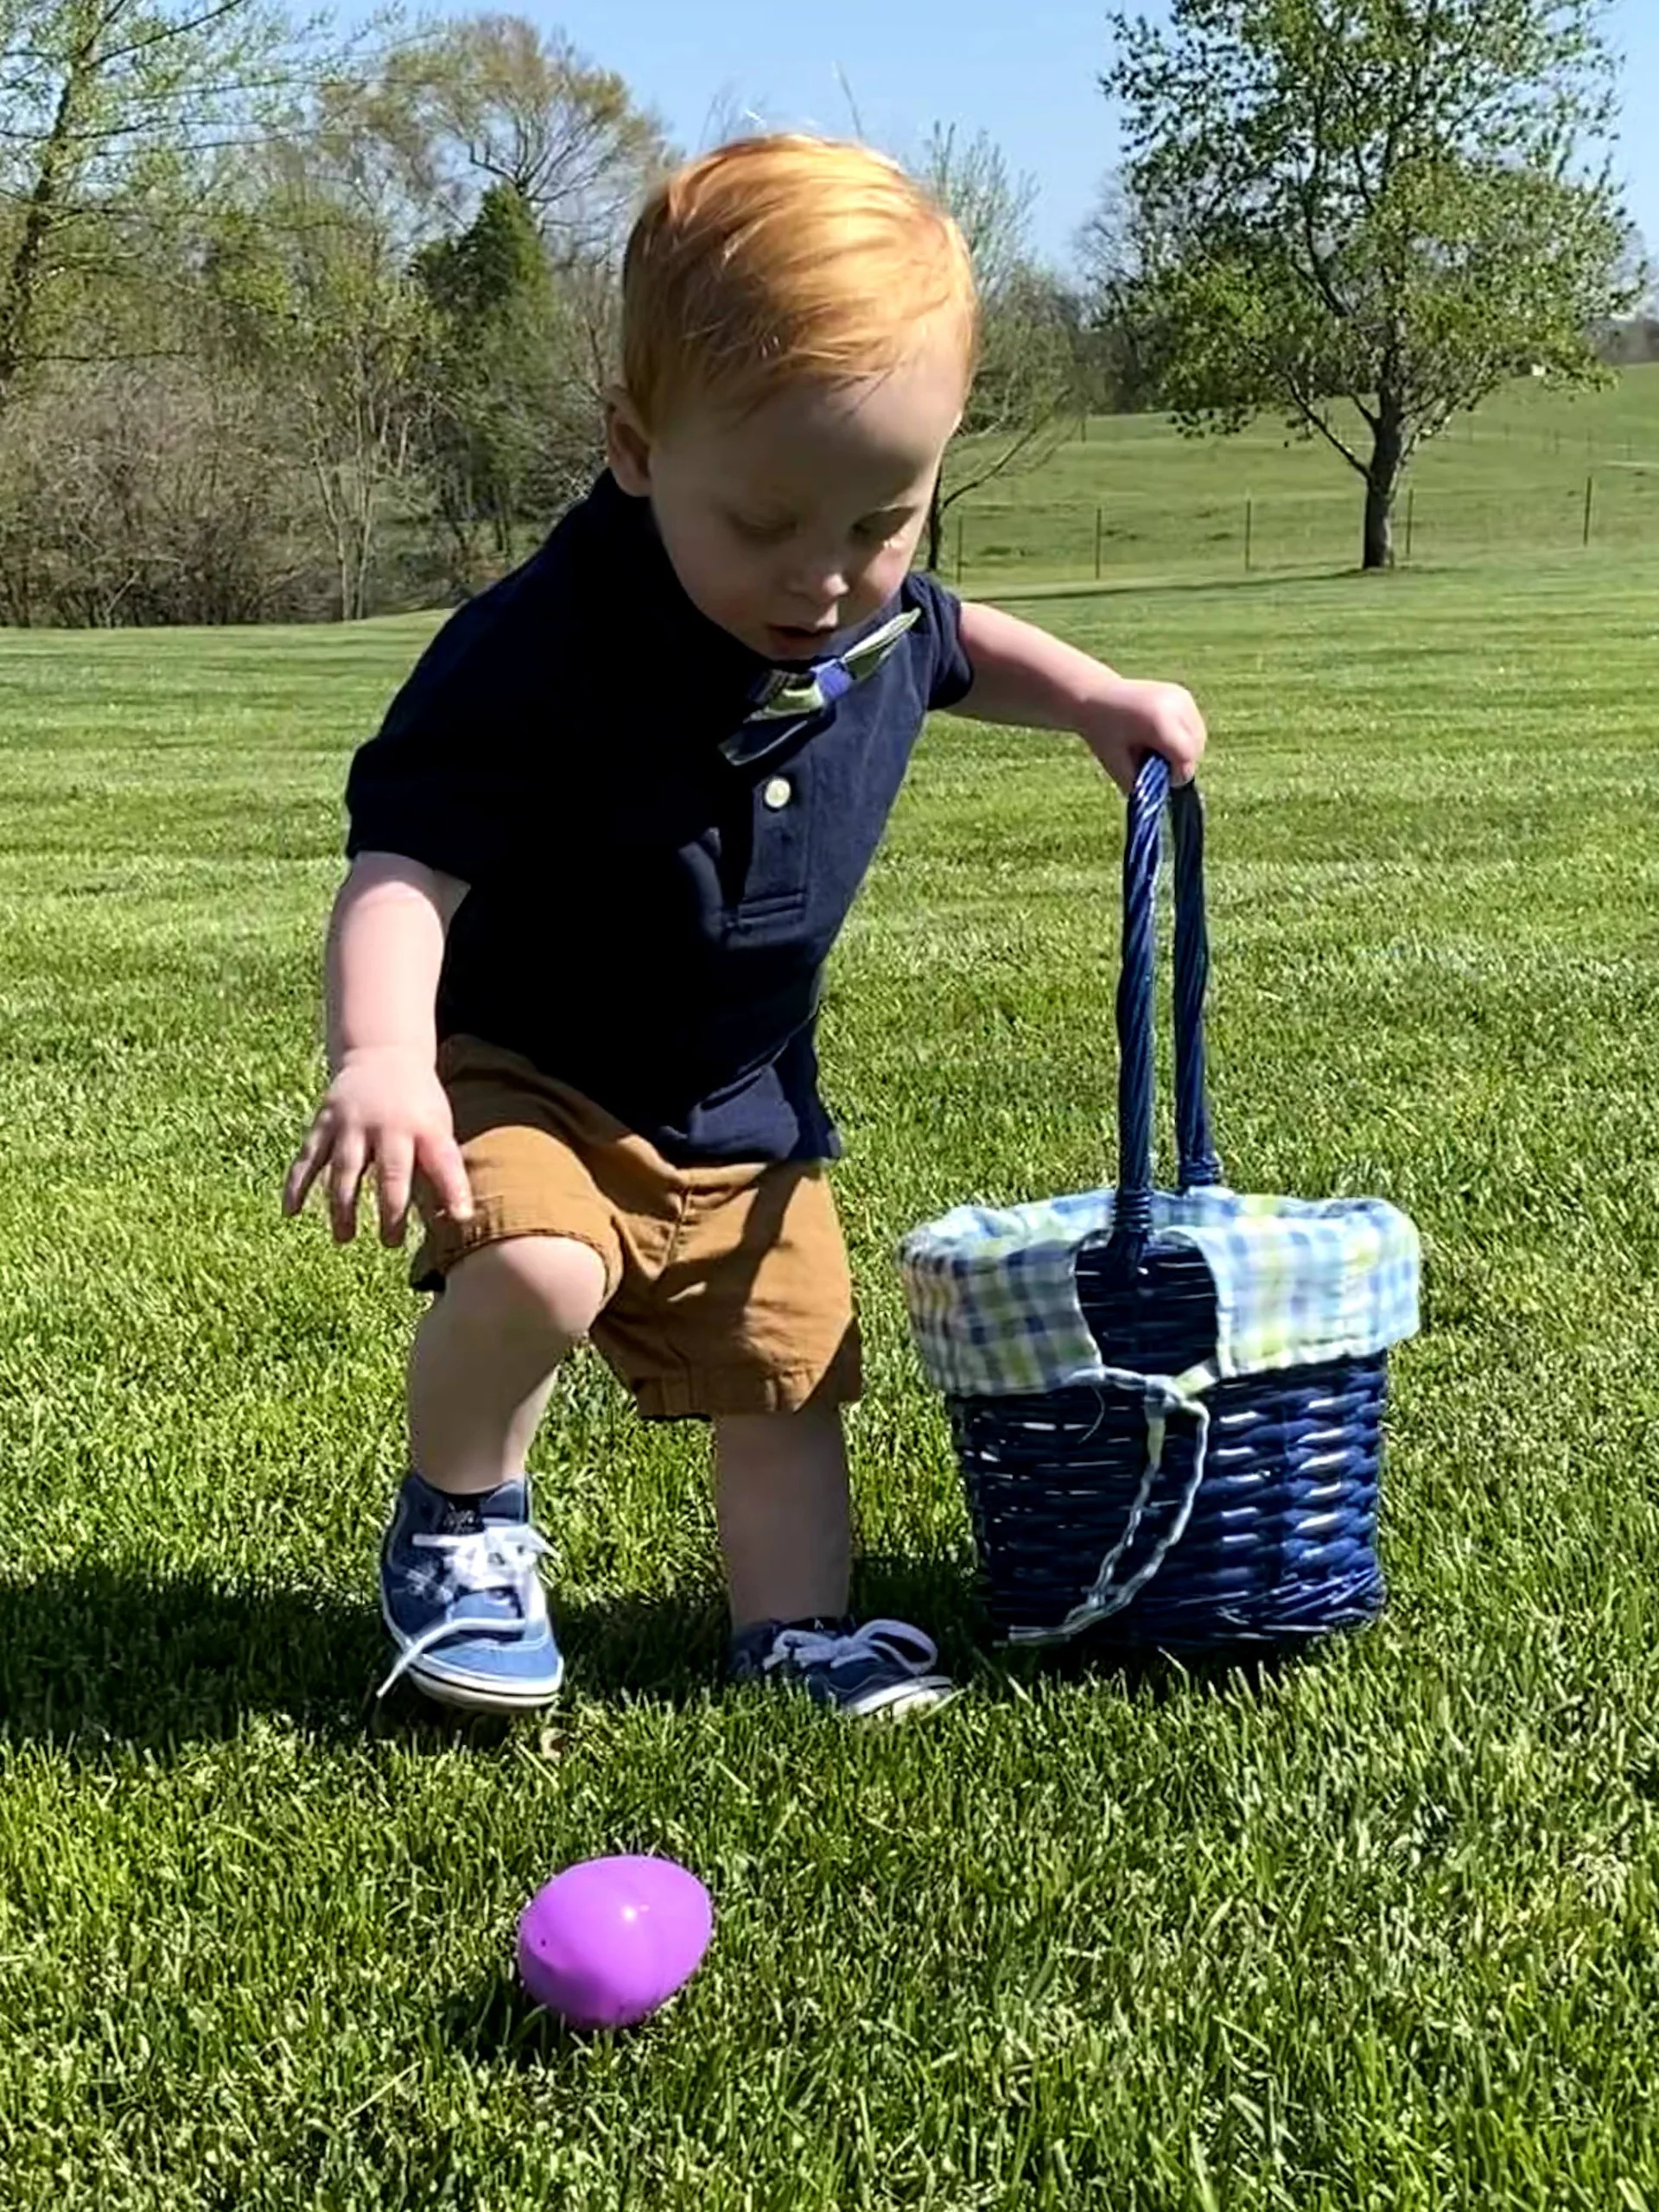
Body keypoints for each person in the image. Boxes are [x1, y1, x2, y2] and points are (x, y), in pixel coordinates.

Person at [283, 135, 1205, 1723]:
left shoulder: (875, 610)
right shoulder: (536, 649)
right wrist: (383, 1055)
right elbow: (402, 870)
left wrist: (1104, 704)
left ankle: (792, 1631)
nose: (828, 578)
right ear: (637, 449)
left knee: (789, 1366)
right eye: (770, 523)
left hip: (744, 1105)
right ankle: (460, 1519)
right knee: (548, 1270)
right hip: (524, 1070)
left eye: (882, 518)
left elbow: (964, 642)